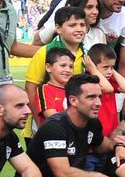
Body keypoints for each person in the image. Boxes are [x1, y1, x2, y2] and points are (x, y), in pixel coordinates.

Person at [25, 7, 88, 138]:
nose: (79, 29)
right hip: (43, 126)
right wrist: (41, 125)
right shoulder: (44, 52)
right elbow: (31, 90)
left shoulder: (86, 54)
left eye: (82, 25)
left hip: (71, 126)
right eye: (72, 25)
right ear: (58, 29)